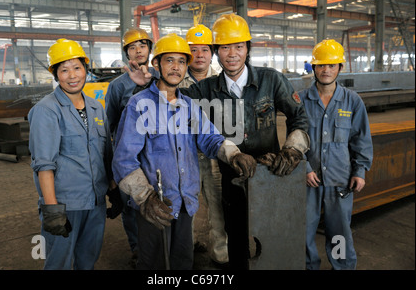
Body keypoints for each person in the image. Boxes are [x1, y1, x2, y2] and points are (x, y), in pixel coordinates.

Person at [128, 14, 310, 270]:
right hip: (232, 178)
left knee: (272, 238)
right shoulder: (205, 89)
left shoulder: (271, 80)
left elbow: (299, 116)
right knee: (234, 237)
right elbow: (167, 96)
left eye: (239, 46)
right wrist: (141, 86)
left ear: (248, 49)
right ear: (217, 52)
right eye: (225, 47)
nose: (232, 54)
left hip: (271, 176)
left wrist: (292, 150)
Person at [112, 33, 257, 270]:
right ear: (156, 64)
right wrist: (145, 198)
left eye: (181, 62)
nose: (176, 67)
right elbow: (124, 161)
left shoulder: (189, 106)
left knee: (182, 262)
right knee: (155, 265)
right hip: (154, 205)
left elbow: (210, 138)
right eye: (169, 60)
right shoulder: (138, 105)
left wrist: (233, 154)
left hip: (185, 203)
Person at [28, 38, 119, 269]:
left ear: (85, 70)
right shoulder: (46, 111)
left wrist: (113, 190)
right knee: (58, 263)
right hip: (65, 204)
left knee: (88, 260)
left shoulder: (96, 107)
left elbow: (105, 154)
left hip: (95, 202)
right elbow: (44, 164)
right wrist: (52, 210)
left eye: (77, 68)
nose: (72, 75)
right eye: (64, 70)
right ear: (56, 74)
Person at [299, 39, 373, 270]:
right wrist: (304, 167)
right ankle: (308, 266)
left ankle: (340, 266)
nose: (326, 70)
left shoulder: (352, 101)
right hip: (308, 180)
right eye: (321, 65)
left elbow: (360, 139)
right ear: (313, 68)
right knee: (303, 230)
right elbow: (293, 139)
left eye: (332, 65)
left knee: (339, 231)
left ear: (340, 67)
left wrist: (359, 171)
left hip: (341, 179)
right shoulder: (300, 100)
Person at [105, 27, 160, 264]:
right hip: (130, 153)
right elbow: (110, 124)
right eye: (132, 47)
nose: (138, 51)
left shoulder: (161, 76)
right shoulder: (118, 86)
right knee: (131, 203)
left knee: (159, 197)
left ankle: (162, 244)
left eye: (142, 46)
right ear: (126, 53)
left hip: (158, 150)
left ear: (149, 49)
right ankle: (137, 247)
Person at [180, 24, 228, 266]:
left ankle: (221, 255)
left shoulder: (223, 80)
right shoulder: (175, 79)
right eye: (193, 50)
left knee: (218, 207)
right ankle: (185, 254)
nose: (199, 55)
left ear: (212, 53)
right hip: (185, 155)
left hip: (214, 156)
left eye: (204, 50)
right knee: (185, 206)